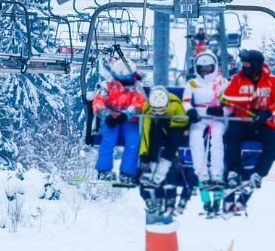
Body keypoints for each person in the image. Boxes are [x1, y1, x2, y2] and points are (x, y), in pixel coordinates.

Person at [222, 49, 275, 190]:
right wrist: (246, 101)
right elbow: (228, 98)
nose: (243, 67)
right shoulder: (237, 80)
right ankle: (234, 171)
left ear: (256, 65)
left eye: (247, 65)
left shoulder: (272, 81)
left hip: (263, 122)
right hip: (242, 121)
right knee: (230, 136)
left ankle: (258, 173)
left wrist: (267, 113)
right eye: (243, 64)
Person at [137, 86, 193, 214]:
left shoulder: (174, 102)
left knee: (175, 140)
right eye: (155, 111)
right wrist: (143, 153)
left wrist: (168, 122)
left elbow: (183, 121)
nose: (158, 112)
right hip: (157, 127)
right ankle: (150, 168)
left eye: (162, 110)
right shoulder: (147, 106)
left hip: (174, 127)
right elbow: (144, 131)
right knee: (154, 133)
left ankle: (160, 173)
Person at [91, 56, 147, 184]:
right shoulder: (107, 86)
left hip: (129, 121)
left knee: (133, 141)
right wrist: (106, 115)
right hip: (111, 120)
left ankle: (127, 173)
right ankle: (104, 171)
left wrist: (126, 114)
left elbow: (139, 103)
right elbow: (98, 101)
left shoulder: (136, 87)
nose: (130, 80)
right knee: (108, 140)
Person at [182, 52, 228, 189]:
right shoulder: (192, 83)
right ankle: (202, 174)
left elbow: (230, 101)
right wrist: (190, 110)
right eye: (202, 68)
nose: (205, 71)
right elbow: (186, 101)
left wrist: (222, 110)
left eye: (208, 67)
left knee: (216, 137)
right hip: (199, 114)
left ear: (214, 66)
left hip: (216, 115)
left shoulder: (222, 82)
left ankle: (216, 174)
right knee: (195, 137)